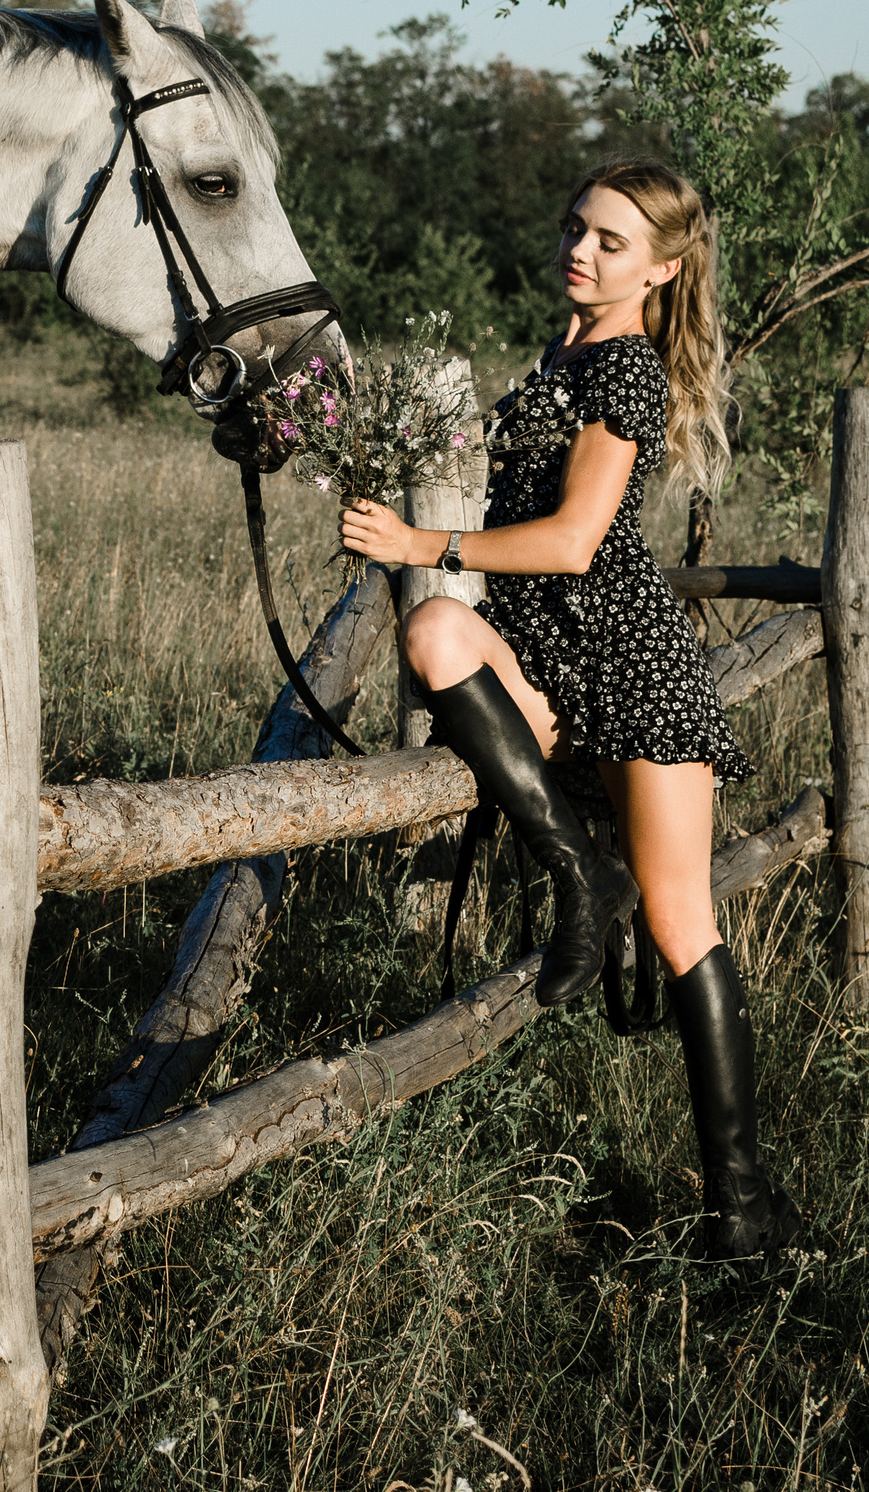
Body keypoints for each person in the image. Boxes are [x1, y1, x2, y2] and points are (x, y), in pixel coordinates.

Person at [338, 159, 806, 1261]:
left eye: (609, 242)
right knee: (435, 634)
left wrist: (424, 544)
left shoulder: (626, 370)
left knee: (684, 918)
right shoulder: (561, 353)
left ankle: (739, 1204)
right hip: (548, 660)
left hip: (630, 663)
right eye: (576, 230)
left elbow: (574, 542)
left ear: (662, 266)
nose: (581, 251)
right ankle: (575, 873)